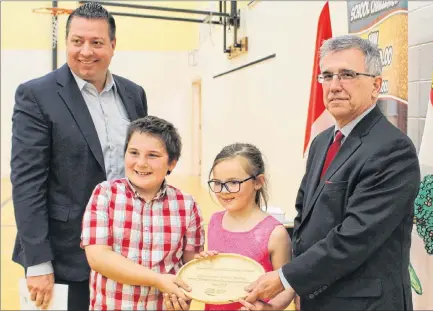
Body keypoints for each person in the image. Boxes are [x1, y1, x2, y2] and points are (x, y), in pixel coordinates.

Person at [245, 35, 421, 311]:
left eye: (347, 75)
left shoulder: (392, 149)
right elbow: (305, 216)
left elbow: (355, 238)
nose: (335, 86)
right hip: (317, 295)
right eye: (327, 76)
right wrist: (291, 285)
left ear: (376, 85)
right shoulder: (322, 141)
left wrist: (285, 278)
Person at [11, 2, 147, 310]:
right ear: (66, 42)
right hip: (64, 256)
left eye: (96, 42)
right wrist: (38, 262)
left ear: (113, 45)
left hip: (127, 249)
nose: (86, 51)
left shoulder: (133, 94)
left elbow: (143, 165)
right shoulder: (36, 95)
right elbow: (27, 183)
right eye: (77, 41)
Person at [81, 115, 205, 310]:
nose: (141, 163)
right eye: (134, 153)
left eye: (152, 155)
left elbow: (190, 265)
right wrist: (157, 280)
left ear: (172, 162)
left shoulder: (187, 205)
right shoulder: (105, 194)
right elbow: (99, 258)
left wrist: (197, 275)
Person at [164, 143, 295, 311]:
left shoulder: (275, 233)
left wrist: (269, 309)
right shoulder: (214, 221)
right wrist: (204, 264)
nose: (223, 191)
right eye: (217, 183)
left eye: (233, 182)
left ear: (258, 182)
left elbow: (287, 286)